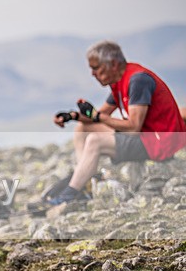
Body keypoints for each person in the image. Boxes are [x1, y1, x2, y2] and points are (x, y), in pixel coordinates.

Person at [50, 40, 186, 204]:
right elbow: (99, 116)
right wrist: (72, 116)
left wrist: (98, 117)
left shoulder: (138, 81)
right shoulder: (119, 81)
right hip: (146, 136)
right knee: (83, 128)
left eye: (96, 68)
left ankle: (69, 195)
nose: (93, 74)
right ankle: (84, 179)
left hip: (160, 143)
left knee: (95, 141)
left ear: (113, 64)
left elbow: (134, 126)